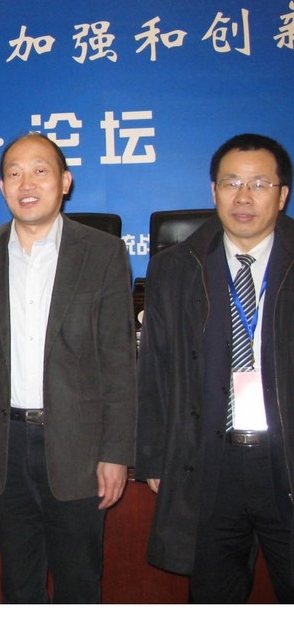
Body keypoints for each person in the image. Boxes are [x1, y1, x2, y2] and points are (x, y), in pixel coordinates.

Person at [0, 132, 136, 603]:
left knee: (79, 584)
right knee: (18, 583)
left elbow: (119, 361)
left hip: (79, 446)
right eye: (14, 173)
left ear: (65, 182)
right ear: (2, 187)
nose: (26, 183)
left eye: (39, 171)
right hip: (2, 445)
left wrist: (116, 452)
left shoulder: (102, 252)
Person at [138, 133, 294, 603]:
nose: (243, 197)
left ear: (282, 195)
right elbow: (154, 369)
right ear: (213, 191)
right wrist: (154, 459)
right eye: (231, 183)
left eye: (259, 184)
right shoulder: (176, 267)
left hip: (286, 461)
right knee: (213, 601)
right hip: (209, 462)